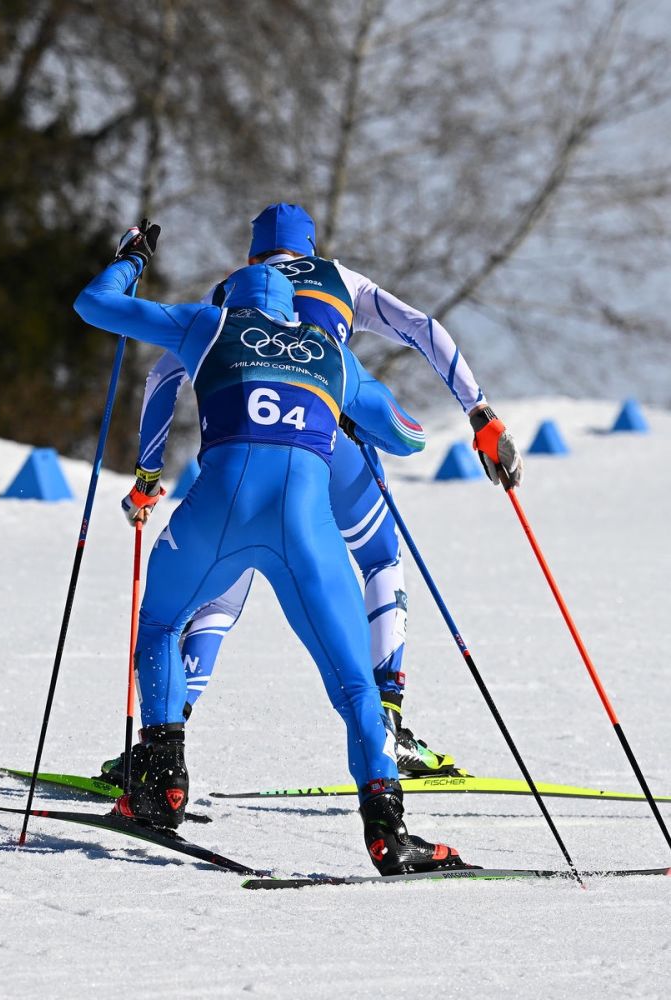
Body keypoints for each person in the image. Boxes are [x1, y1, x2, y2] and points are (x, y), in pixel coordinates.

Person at [73, 222, 467, 875]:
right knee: (354, 685)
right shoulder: (330, 351)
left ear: (235, 291)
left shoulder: (207, 323)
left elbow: (94, 306)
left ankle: (162, 782)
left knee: (162, 623)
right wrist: (348, 411)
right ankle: (386, 831)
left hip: (215, 516)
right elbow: (408, 437)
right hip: (305, 533)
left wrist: (131, 261)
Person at [106, 203, 523, 789]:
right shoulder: (340, 278)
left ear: (253, 254)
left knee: (216, 592)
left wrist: (148, 477)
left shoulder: (227, 294)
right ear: (309, 247)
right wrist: (479, 412)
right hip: (333, 442)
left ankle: (163, 744)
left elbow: (161, 377)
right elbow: (424, 329)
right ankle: (389, 722)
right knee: (379, 559)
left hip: (238, 453)